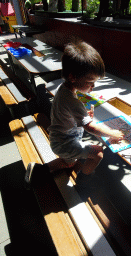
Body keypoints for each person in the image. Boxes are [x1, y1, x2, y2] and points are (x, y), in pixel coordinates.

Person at [25, 40, 124, 190]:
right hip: (65, 142)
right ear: (73, 77)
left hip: (59, 139)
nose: (93, 87)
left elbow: (69, 111)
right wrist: (112, 133)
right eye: (90, 82)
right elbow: (92, 128)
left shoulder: (64, 88)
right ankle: (84, 180)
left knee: (69, 162)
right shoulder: (72, 100)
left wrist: (83, 114)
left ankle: (40, 170)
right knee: (98, 153)